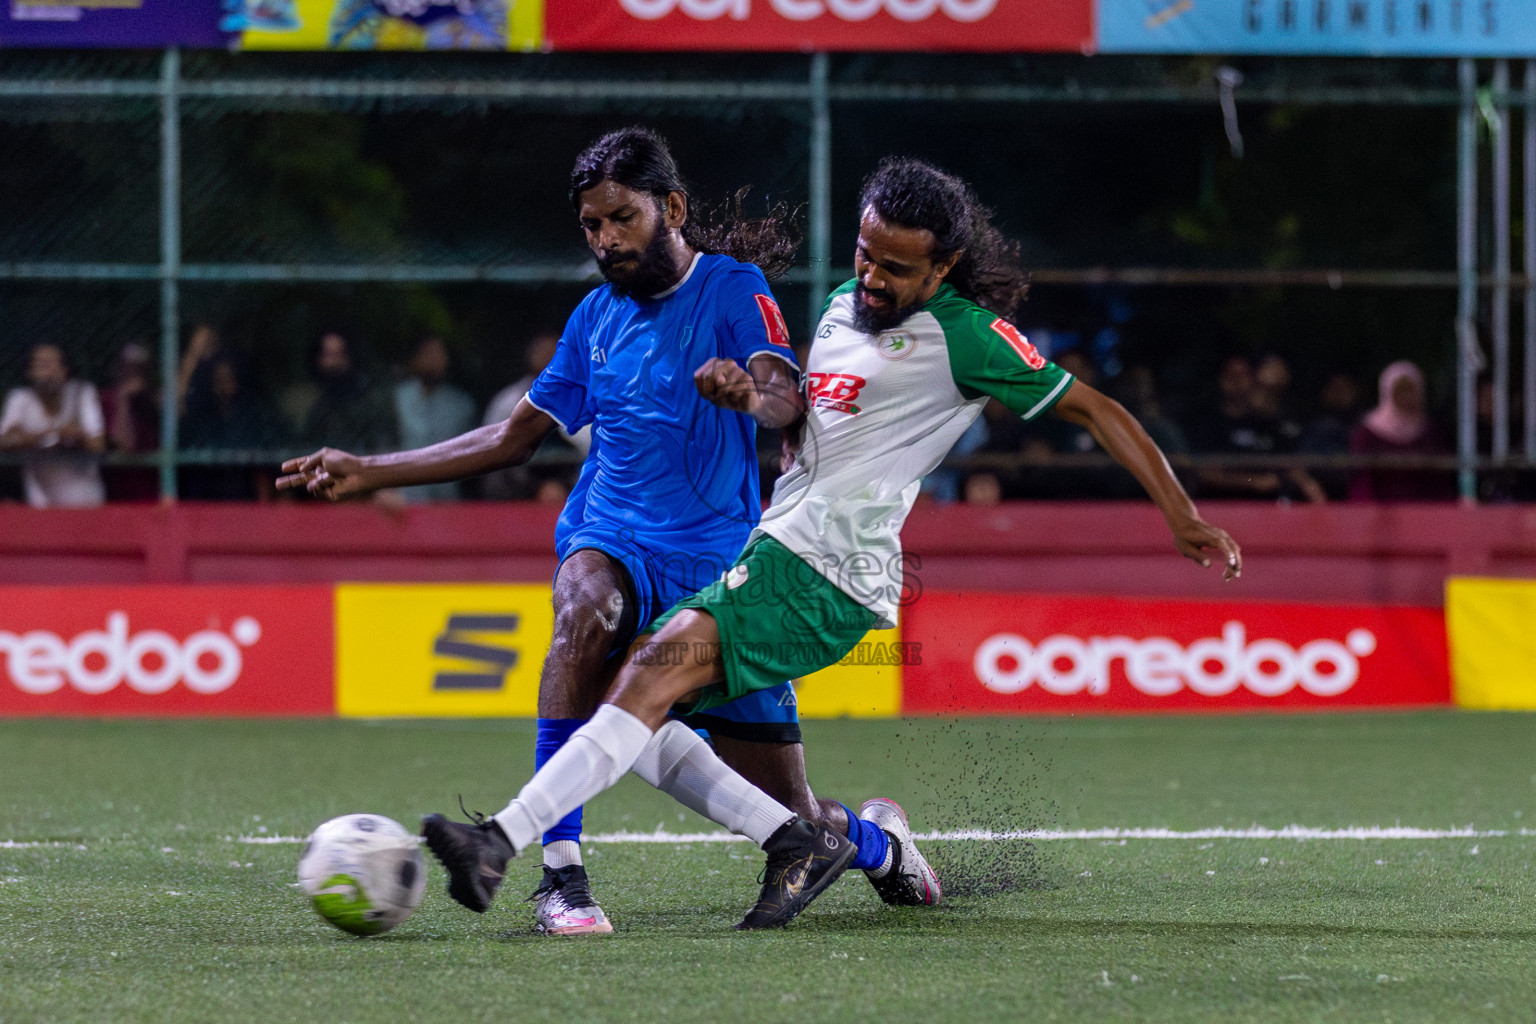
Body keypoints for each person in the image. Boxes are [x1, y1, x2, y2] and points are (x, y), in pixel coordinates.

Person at [411, 157, 1242, 931]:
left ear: (942, 269)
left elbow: (1097, 409)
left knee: (638, 680)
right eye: (866, 254)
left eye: (898, 269)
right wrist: (753, 398)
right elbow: (804, 416)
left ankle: (501, 846)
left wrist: (1180, 512)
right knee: (629, 700)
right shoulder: (845, 304)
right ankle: (860, 844)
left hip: (827, 569)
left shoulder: (969, 337)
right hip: (771, 550)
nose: (874, 278)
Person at [278, 127, 926, 935]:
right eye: (591, 226)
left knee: (792, 816)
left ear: (673, 208)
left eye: (621, 218)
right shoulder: (593, 318)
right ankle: (562, 879)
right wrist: (373, 470)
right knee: (585, 613)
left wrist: (748, 396)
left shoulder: (731, 288)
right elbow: (513, 437)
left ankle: (875, 844)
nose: (605, 239)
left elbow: (785, 394)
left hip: (721, 572)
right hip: (611, 534)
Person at [479, 333, 591, 502]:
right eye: (541, 351)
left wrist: (563, 486)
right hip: (515, 500)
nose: (547, 356)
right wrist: (537, 488)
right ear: (530, 356)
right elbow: (492, 456)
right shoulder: (508, 401)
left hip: (574, 499)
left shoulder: (586, 401)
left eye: (554, 351)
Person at [0, 343, 106, 509]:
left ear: (65, 369)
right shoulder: (21, 398)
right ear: (30, 372)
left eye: (53, 365)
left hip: (85, 499)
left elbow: (97, 444)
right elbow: (4, 441)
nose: (48, 372)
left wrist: (27, 438)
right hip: (40, 503)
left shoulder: (81, 392)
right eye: (42, 366)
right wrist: (57, 434)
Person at [1348, 360, 1455, 501]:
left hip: (1424, 510)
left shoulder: (1430, 431)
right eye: (1401, 391)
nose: (1406, 397)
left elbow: (1440, 481)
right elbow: (1361, 480)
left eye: (1411, 390)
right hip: (1380, 511)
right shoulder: (1367, 432)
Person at [393, 337, 477, 502]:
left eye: (438, 355)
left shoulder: (462, 405)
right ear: (415, 359)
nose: (432, 360)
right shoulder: (396, 399)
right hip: (403, 502)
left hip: (448, 503)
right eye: (427, 354)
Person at [299, 330, 397, 455]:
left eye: (339, 355)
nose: (334, 363)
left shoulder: (371, 399)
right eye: (328, 355)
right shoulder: (320, 407)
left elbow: (383, 448)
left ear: (349, 357)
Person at [100, 341, 161, 503]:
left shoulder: (154, 401)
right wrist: (123, 400)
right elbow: (123, 443)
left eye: (139, 369)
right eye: (127, 368)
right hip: (119, 495)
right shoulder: (107, 399)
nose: (133, 374)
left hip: (152, 495)